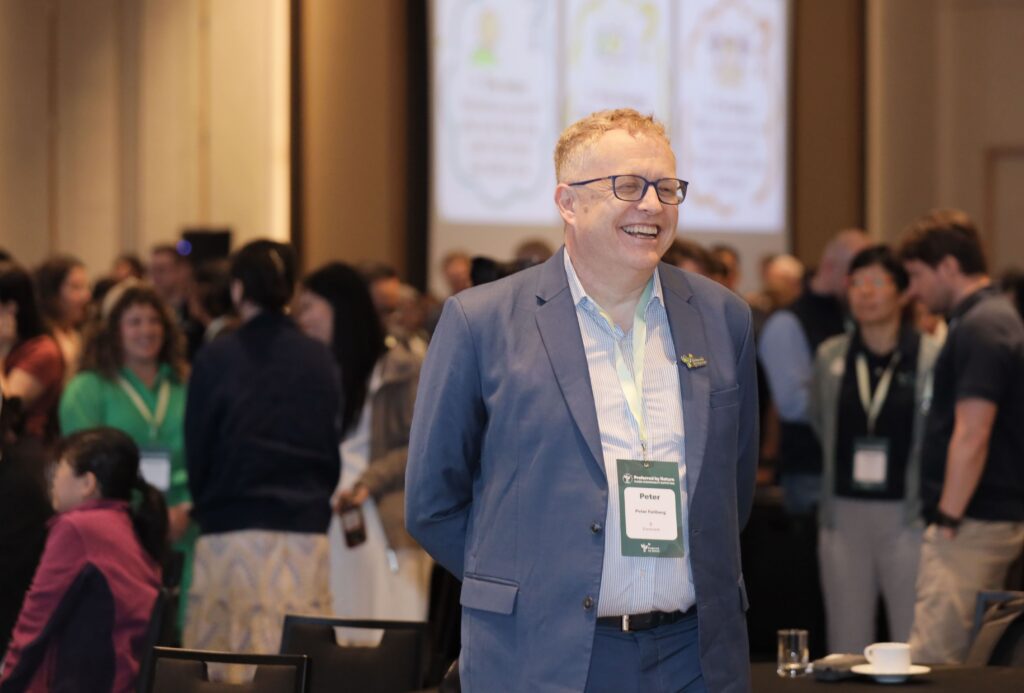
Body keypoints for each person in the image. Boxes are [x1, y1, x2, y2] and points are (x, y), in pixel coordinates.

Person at [405, 108, 758, 692]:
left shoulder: (724, 317)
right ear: (568, 203)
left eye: (666, 187)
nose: (653, 205)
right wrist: (523, 582)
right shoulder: (482, 322)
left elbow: (732, 492)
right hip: (542, 654)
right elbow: (431, 503)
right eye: (629, 186)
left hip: (695, 656)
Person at [184, 240, 340, 679]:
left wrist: (208, 504)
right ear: (290, 289)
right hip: (305, 529)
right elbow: (328, 442)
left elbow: (199, 448)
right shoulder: (318, 356)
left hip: (232, 526)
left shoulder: (217, 356)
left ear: (238, 289)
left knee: (226, 673)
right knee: (294, 670)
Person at [897, 209, 1024, 664]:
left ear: (948, 266)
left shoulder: (981, 325)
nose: (913, 291)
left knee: (936, 661)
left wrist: (948, 520)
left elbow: (973, 432)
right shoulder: (993, 317)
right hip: (985, 515)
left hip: (972, 522)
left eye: (917, 275)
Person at [809, 246, 941, 652]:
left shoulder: (929, 356)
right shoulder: (831, 355)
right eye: (857, 282)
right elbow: (820, 420)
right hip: (844, 513)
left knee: (913, 639)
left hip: (908, 515)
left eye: (878, 282)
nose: (865, 292)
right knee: (845, 641)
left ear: (902, 293)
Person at [295, 263, 432, 641]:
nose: (302, 318)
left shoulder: (399, 368)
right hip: (323, 519)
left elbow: (420, 445)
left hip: (381, 518)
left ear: (338, 307)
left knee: (381, 637)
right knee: (331, 632)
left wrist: (368, 482)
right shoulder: (312, 372)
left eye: (309, 307)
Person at [58, 282, 194, 631]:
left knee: (181, 633)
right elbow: (81, 470)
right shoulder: (87, 389)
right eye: (134, 321)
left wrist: (185, 508)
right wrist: (139, 516)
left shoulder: (185, 384)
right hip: (116, 529)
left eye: (154, 320)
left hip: (183, 525)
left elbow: (207, 451)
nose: (146, 330)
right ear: (112, 330)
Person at [0, 427, 165, 692]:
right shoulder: (123, 523)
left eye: (59, 468)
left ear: (87, 483)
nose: (52, 479)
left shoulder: (79, 528)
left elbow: (34, 626)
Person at [758, 230, 869, 515]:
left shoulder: (853, 318)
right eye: (855, 276)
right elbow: (793, 404)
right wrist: (860, 403)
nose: (863, 287)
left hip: (850, 467)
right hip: (809, 473)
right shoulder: (788, 323)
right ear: (830, 267)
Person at [0, 262, 65, 443]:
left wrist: (1, 349)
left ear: (10, 308)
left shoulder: (43, 351)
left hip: (25, 448)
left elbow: (7, 410)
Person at [34, 255, 90, 382]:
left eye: (86, 287)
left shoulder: (76, 334)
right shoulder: (40, 343)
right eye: (76, 287)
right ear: (52, 293)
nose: (86, 295)